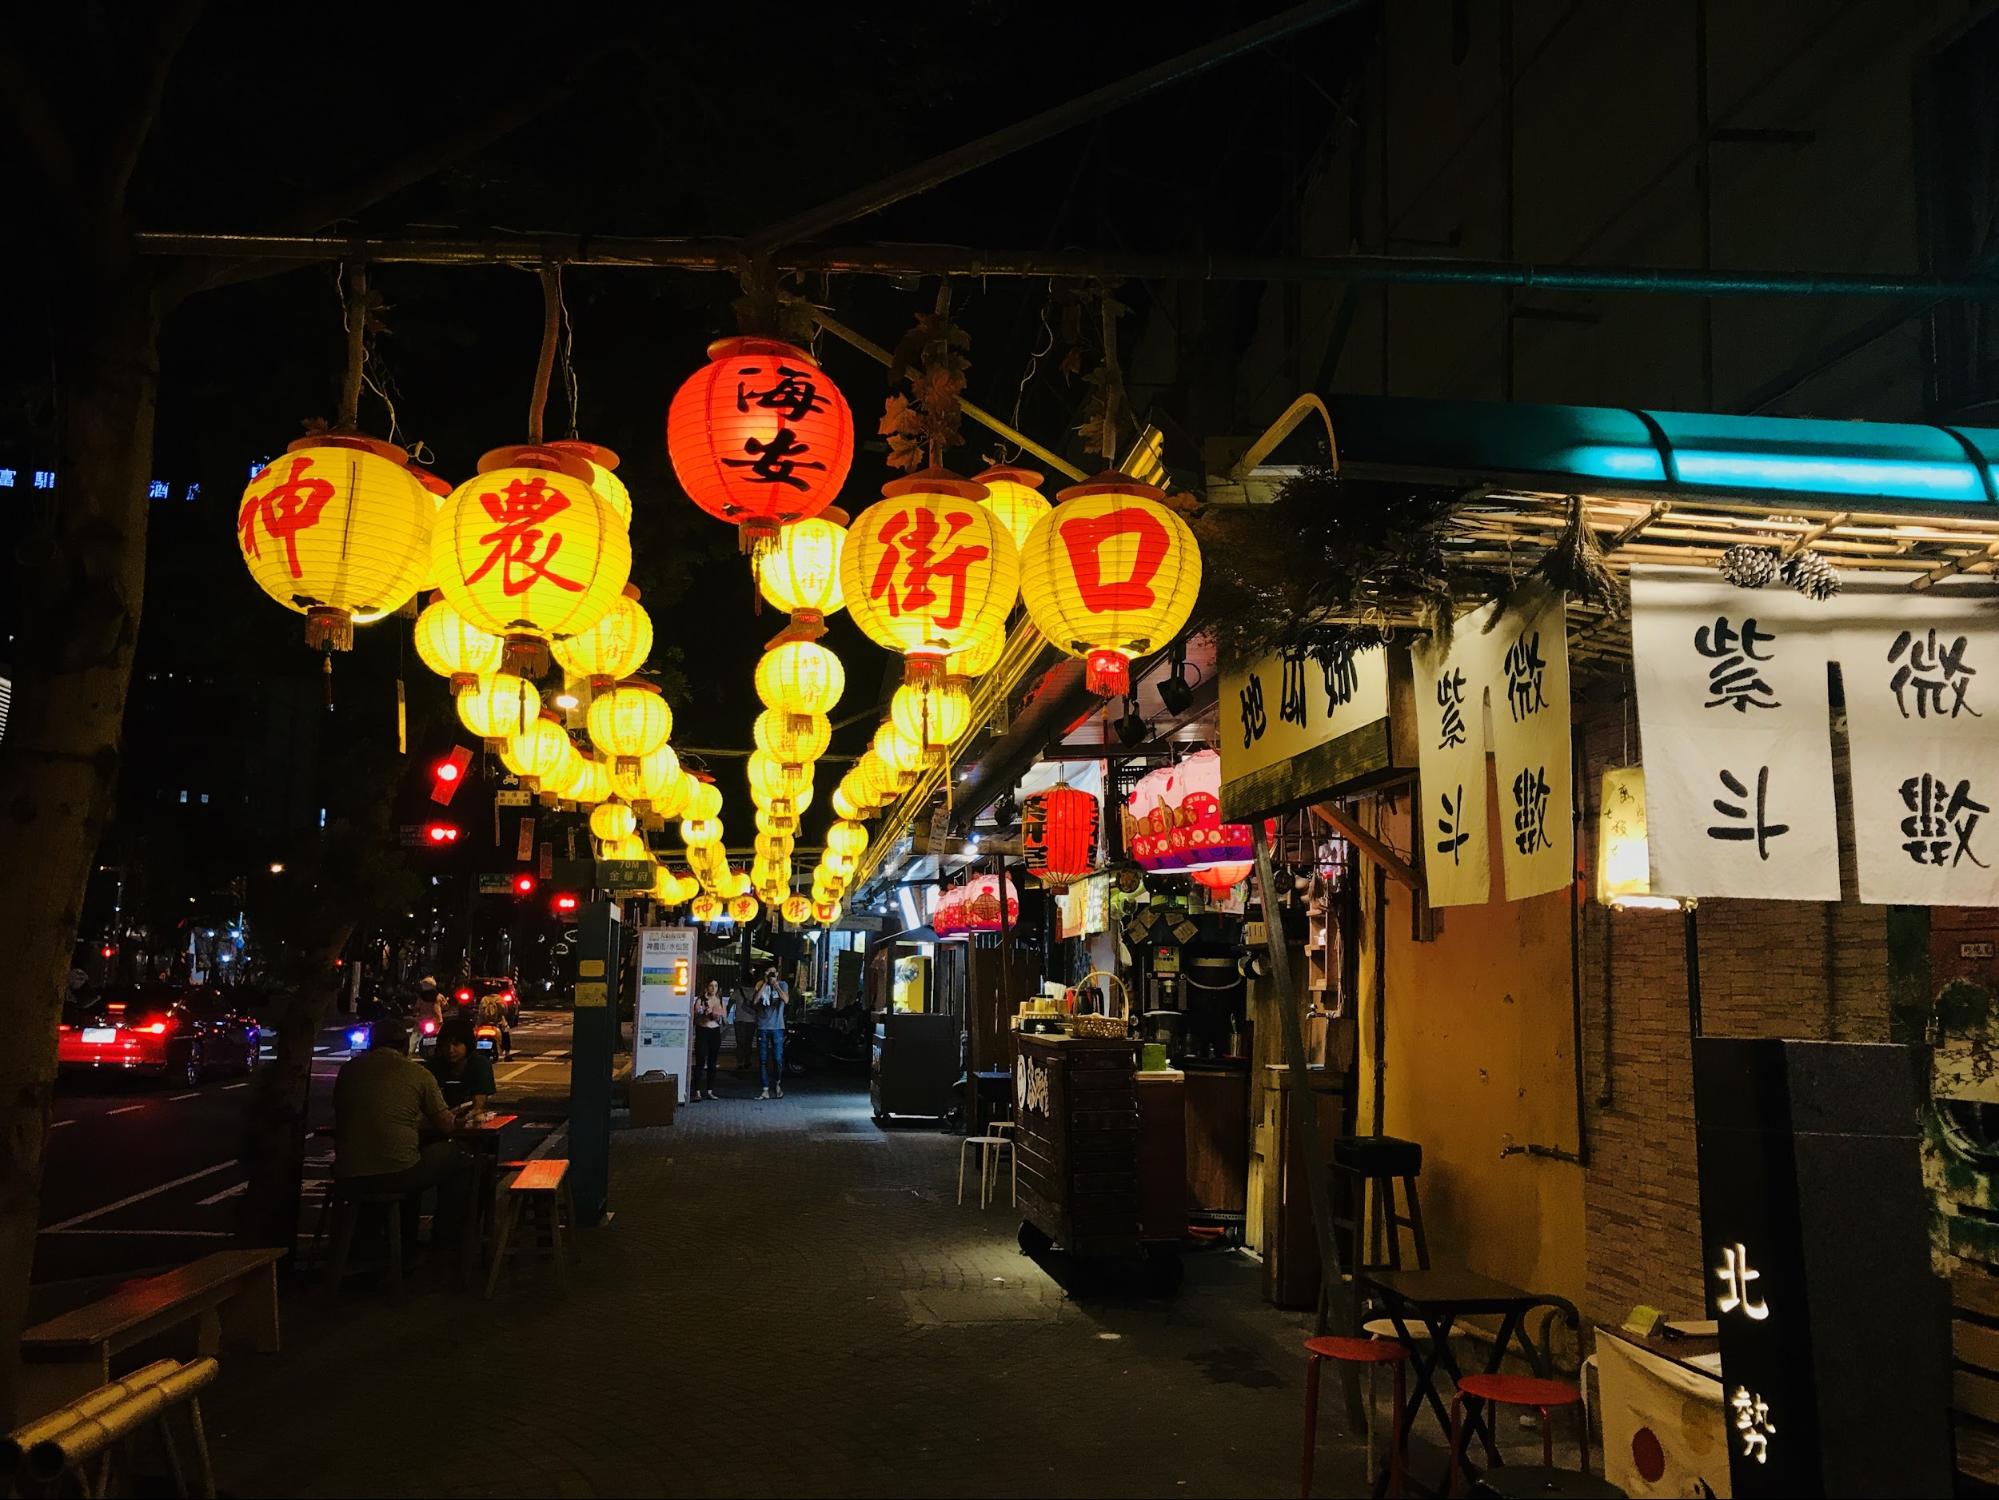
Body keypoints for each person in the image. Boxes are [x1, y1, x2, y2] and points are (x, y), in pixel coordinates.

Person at [332, 1015, 469, 1254]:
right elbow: (447, 1125)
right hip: (395, 1172)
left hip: (347, 1171)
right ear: (405, 1047)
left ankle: (389, 1244)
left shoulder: (348, 1070)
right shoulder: (417, 1073)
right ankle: (445, 1240)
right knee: (457, 1156)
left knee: (410, 1161)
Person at [426, 1015, 496, 1117]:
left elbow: (478, 1106)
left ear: (467, 1044)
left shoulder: (480, 1064)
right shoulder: (433, 1065)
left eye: (456, 1044)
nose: (450, 1050)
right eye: (446, 1044)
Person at [755, 966, 789, 1100]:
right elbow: (755, 1001)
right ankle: (765, 1089)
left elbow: (785, 1000)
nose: (771, 975)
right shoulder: (760, 984)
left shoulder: (782, 984)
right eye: (769, 972)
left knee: (778, 1058)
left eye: (773, 973)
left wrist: (775, 984)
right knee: (763, 1059)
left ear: (778, 974)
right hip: (763, 1026)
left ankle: (777, 1084)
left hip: (777, 1026)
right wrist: (765, 982)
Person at [691, 980, 725, 1100]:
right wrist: (703, 1012)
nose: (713, 988)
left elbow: (722, 1018)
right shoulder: (700, 1000)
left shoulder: (719, 1000)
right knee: (700, 1061)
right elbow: (696, 1018)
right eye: (711, 985)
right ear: (706, 987)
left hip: (715, 1032)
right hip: (703, 1031)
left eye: (716, 986)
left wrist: (717, 1013)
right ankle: (697, 1091)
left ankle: (710, 1090)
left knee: (712, 1062)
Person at [731, 976, 758, 1075]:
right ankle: (747, 1061)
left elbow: (730, 1003)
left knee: (740, 1042)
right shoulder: (755, 992)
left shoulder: (738, 991)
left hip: (739, 1020)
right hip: (751, 1020)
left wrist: (726, 1016)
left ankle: (740, 1062)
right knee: (748, 1042)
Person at [476, 986, 512, 1060]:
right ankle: (507, 1054)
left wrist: (478, 1024)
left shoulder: (484, 999)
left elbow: (480, 1013)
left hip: (485, 1023)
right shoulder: (500, 999)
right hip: (498, 1023)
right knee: (505, 1034)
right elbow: (505, 1011)